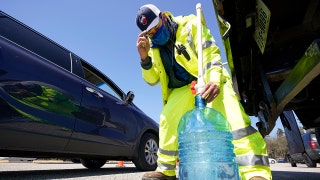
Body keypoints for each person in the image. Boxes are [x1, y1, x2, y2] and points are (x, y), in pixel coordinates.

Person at [135, 4, 272, 180]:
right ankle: (165, 171)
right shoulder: (153, 47)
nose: (155, 34)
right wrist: (144, 58)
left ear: (163, 16)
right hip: (180, 88)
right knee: (167, 120)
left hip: (206, 77)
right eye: (151, 33)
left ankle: (255, 173)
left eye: (156, 27)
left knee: (234, 120)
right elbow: (152, 79)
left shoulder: (190, 24)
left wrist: (214, 81)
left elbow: (210, 54)